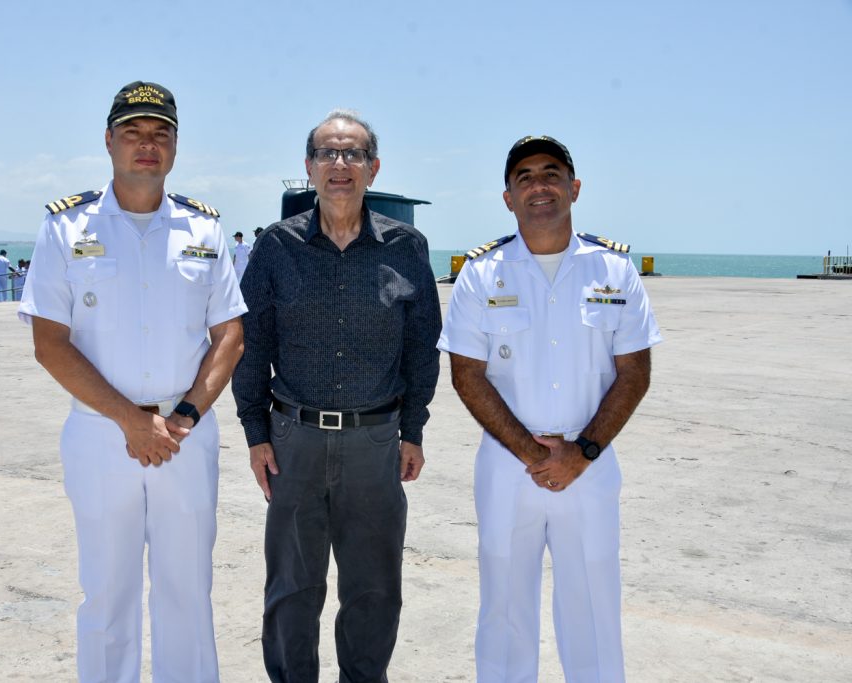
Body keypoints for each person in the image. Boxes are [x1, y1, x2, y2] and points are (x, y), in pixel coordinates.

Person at [18, 80, 246, 683]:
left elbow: (230, 336)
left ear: (175, 145)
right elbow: (50, 345)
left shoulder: (205, 231)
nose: (148, 144)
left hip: (185, 436)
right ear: (109, 141)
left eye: (160, 133)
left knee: (188, 593)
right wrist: (130, 420)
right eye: (133, 132)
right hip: (100, 437)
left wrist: (187, 417)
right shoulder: (65, 229)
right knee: (107, 594)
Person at [438, 135, 662, 682]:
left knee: (593, 606)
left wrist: (580, 452)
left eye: (551, 173)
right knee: (505, 608)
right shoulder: (481, 273)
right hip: (507, 466)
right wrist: (533, 455)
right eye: (525, 177)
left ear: (574, 187)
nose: (539, 185)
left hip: (590, 462)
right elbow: (467, 375)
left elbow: (635, 373)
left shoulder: (613, 271)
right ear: (508, 198)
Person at [232, 109, 441, 683]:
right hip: (293, 439)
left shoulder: (407, 247)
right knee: (292, 589)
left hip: (376, 442)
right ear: (309, 168)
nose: (340, 164)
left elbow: (423, 348)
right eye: (328, 153)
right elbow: (250, 346)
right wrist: (256, 435)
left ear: (374, 168)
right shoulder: (276, 247)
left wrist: (413, 430)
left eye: (352, 154)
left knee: (374, 588)